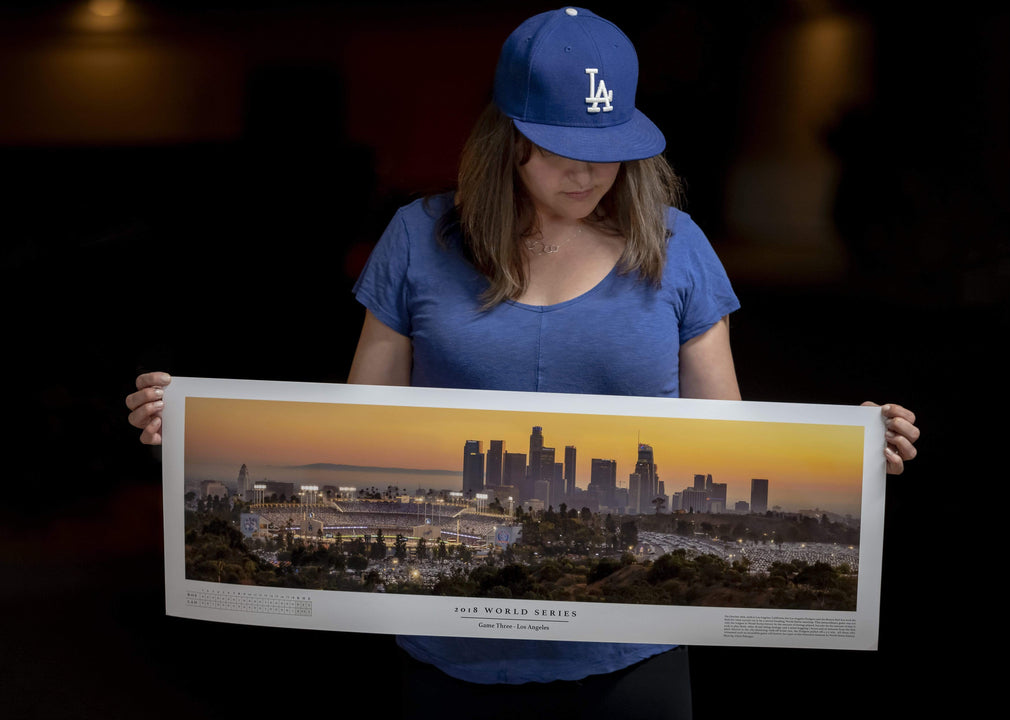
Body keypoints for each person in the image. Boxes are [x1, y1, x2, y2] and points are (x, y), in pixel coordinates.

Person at [126, 7, 919, 718]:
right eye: (562, 150)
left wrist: (841, 446)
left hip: (633, 655)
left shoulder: (679, 245)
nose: (588, 174)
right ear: (507, 137)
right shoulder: (419, 237)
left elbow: (727, 436)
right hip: (449, 651)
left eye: (608, 150)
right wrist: (196, 427)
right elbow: (359, 427)